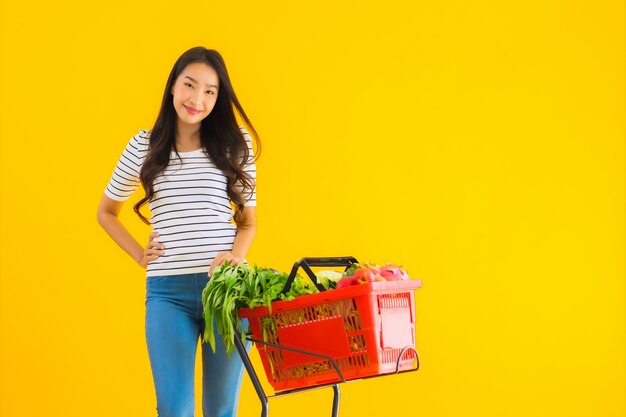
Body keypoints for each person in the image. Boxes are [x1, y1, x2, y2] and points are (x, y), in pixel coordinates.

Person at [97, 46, 260, 417]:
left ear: (218, 99)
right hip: (168, 295)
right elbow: (106, 212)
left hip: (226, 292)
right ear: (172, 85)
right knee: (174, 410)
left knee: (221, 410)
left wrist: (235, 258)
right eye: (189, 85)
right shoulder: (143, 146)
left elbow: (248, 222)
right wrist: (140, 254)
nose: (196, 99)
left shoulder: (236, 145)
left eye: (209, 91)